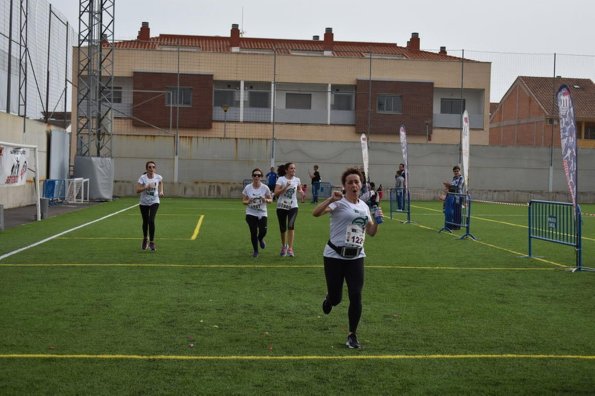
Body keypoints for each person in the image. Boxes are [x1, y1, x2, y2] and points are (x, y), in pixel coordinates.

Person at [313, 167, 382, 349]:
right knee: (336, 299)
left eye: (356, 182)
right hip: (334, 256)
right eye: (350, 182)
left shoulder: (364, 206)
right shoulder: (339, 203)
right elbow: (316, 213)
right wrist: (330, 199)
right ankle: (329, 299)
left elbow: (372, 232)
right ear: (344, 186)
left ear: (361, 185)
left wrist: (378, 220)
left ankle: (352, 334)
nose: (353, 185)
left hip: (356, 257)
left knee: (356, 295)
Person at [274, 162, 304, 257]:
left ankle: (290, 248)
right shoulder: (281, 179)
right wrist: (285, 187)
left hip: (293, 206)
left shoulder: (297, 179)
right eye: (291, 168)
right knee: (283, 228)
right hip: (281, 206)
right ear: (286, 170)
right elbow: (276, 193)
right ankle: (284, 246)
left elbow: (299, 189)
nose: (293, 170)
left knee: (291, 225)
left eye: (294, 168)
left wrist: (302, 192)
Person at [242, 168, 273, 258]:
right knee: (253, 232)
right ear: (252, 177)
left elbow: (271, 200)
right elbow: (243, 201)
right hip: (250, 213)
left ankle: (260, 239)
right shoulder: (248, 188)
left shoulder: (265, 187)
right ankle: (255, 251)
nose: (256, 177)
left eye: (258, 175)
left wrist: (266, 200)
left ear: (261, 177)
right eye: (255, 175)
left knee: (263, 231)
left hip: (262, 213)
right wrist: (248, 201)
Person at [135, 160, 164, 251]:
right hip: (144, 202)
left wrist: (161, 191)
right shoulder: (143, 178)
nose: (152, 169)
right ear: (146, 169)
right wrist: (145, 187)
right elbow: (137, 190)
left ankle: (151, 242)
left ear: (155, 169)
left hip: (154, 201)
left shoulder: (158, 177)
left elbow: (161, 182)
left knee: (151, 220)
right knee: (145, 221)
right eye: (150, 167)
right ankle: (145, 238)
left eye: (153, 167)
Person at [442, 165, 465, 230]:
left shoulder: (461, 178)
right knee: (453, 211)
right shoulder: (454, 178)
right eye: (455, 171)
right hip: (452, 197)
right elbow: (452, 188)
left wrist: (449, 185)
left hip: (458, 196)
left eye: (457, 171)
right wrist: (447, 187)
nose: (456, 172)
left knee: (457, 211)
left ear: (459, 171)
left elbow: (458, 187)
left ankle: (457, 226)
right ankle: (453, 224)